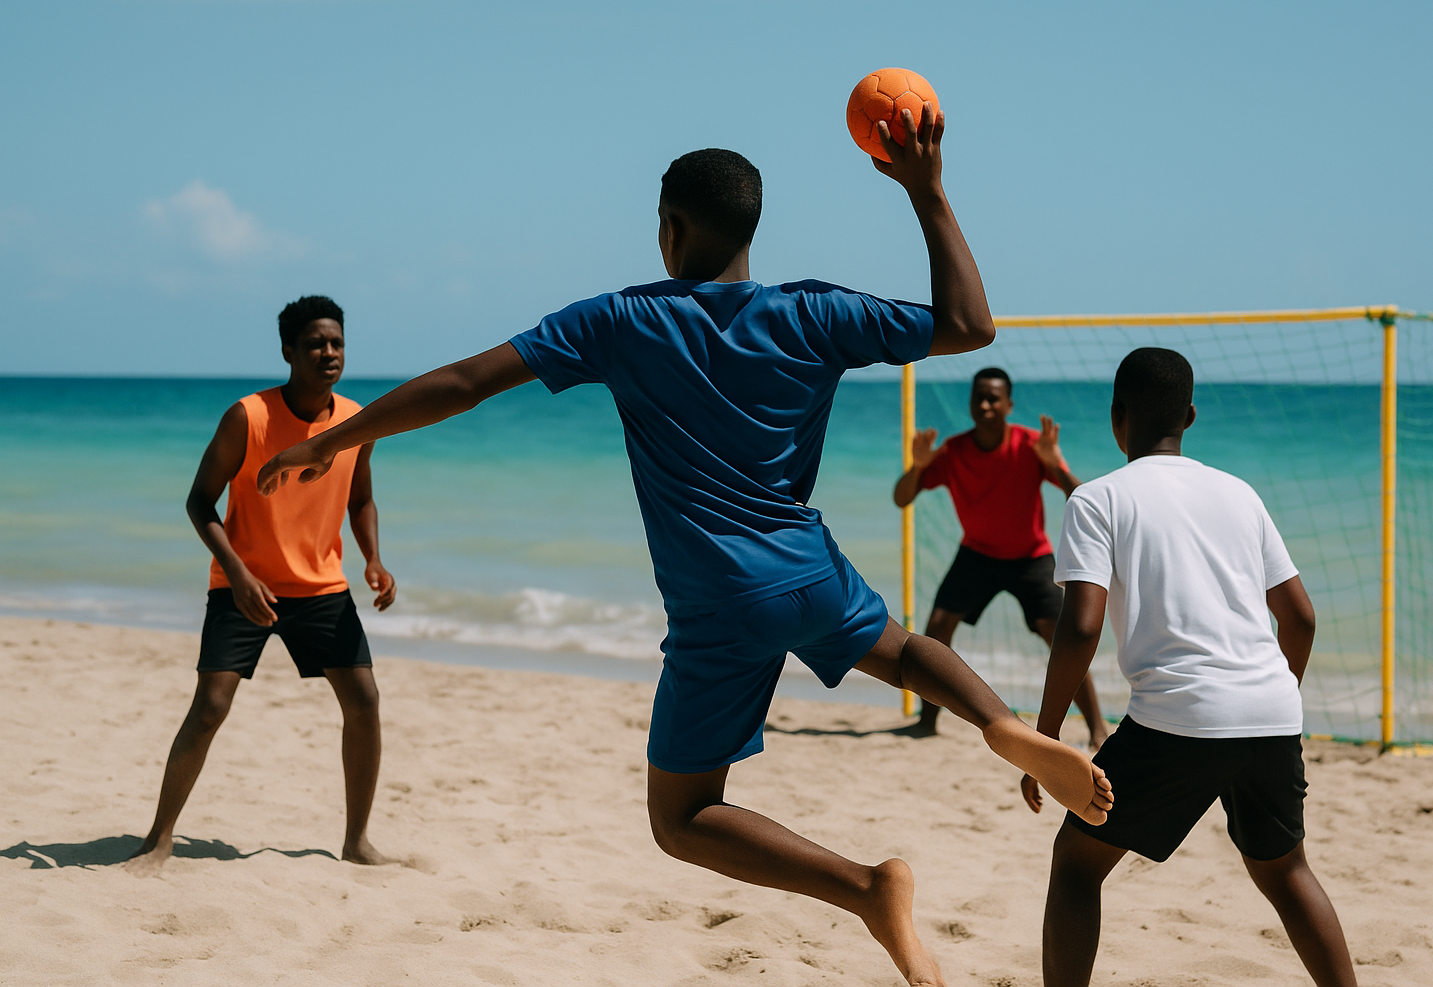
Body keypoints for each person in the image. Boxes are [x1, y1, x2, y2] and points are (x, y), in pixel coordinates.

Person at [255, 108, 1111, 987]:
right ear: (752, 229)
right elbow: (971, 326)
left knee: (683, 815)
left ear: (670, 227)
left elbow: (467, 383)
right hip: (807, 566)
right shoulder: (815, 312)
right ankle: (1001, 723)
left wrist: (335, 440)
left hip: (718, 600)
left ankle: (864, 890)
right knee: (897, 647)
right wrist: (928, 193)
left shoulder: (622, 321)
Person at [1024, 347, 1356, 987]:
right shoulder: (1239, 493)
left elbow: (1082, 627)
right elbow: (1302, 619)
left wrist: (1044, 738)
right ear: (1192, 415)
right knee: (1287, 872)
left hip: (1175, 719)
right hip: (1271, 710)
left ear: (1116, 418)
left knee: (1075, 863)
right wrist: (1269, 700)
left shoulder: (1097, 500)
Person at [125, 296, 397, 874]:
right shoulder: (247, 417)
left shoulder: (356, 420)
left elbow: (361, 496)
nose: (330, 353)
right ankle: (159, 839)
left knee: (365, 703)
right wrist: (240, 573)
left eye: (337, 343)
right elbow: (200, 502)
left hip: (323, 589)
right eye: (317, 343)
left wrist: (374, 559)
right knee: (209, 708)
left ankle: (356, 842)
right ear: (288, 352)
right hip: (243, 588)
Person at [892, 367, 1110, 743]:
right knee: (937, 629)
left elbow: (1079, 496)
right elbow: (902, 498)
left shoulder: (1030, 445)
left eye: (994, 398)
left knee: (1063, 636)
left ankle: (1097, 729)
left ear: (1009, 405)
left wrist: (1055, 463)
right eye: (979, 397)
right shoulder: (954, 451)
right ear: (970, 404)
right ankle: (927, 721)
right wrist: (919, 467)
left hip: (1030, 557)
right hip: (976, 555)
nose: (985, 404)